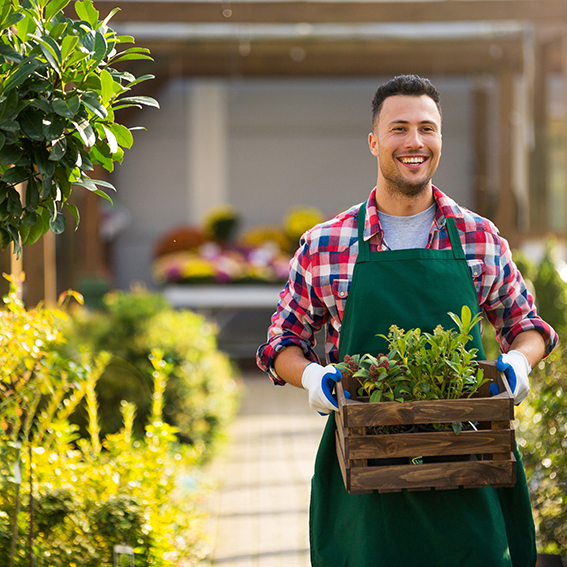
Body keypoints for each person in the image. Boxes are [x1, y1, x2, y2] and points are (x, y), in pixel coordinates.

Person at [256, 74, 558, 567]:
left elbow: (528, 326)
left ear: (440, 139)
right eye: (399, 129)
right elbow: (281, 341)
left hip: (469, 467)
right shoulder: (325, 244)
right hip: (365, 475)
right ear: (374, 141)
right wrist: (310, 375)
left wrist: (519, 363)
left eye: (427, 128)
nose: (414, 142)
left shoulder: (478, 237)